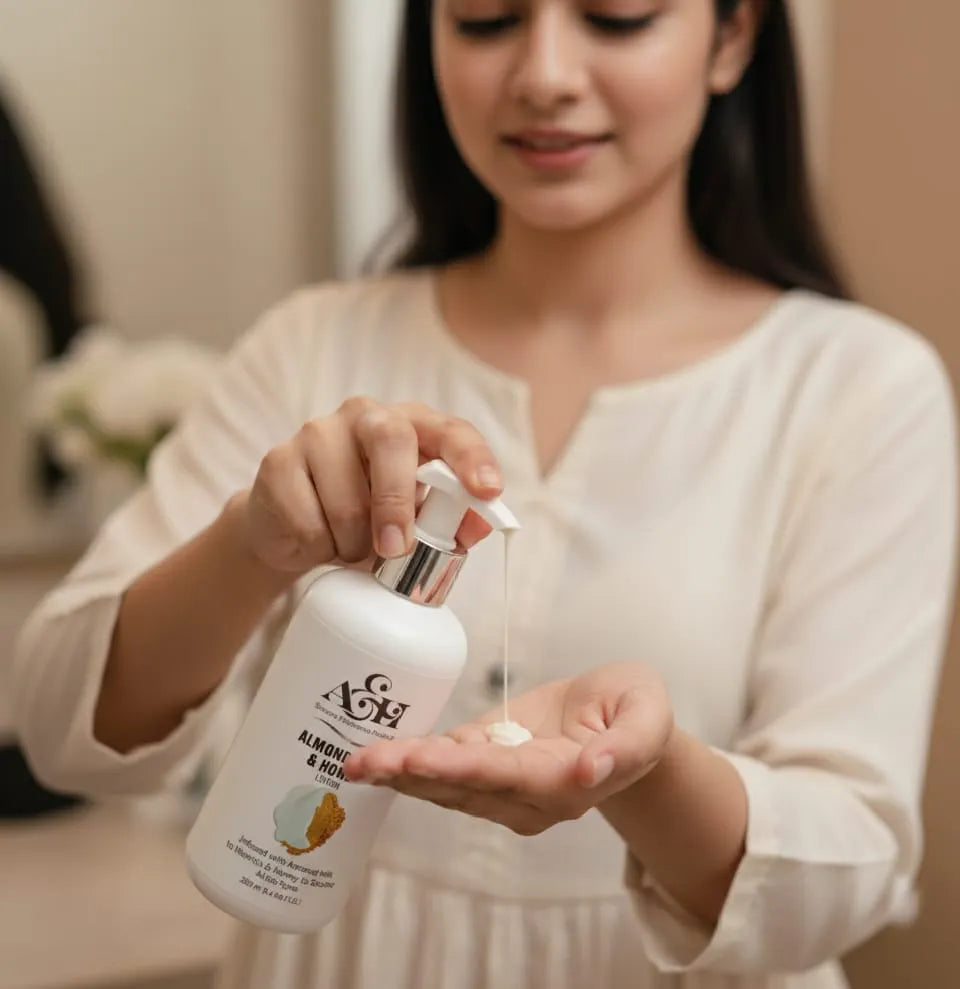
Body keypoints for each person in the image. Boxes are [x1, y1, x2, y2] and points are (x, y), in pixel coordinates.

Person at [11, 1, 957, 987]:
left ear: (731, 37)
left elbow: (851, 863)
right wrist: (249, 548)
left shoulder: (859, 387)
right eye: (487, 18)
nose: (543, 72)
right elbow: (67, 734)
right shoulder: (314, 344)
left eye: (617, 16)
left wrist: (645, 769)